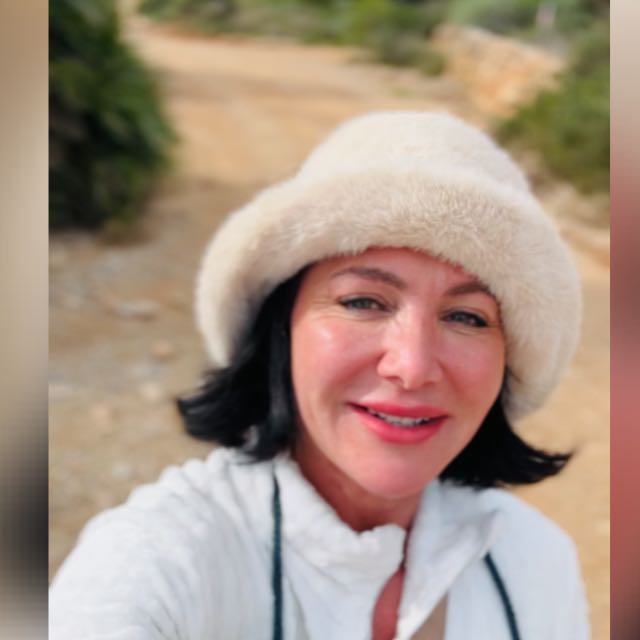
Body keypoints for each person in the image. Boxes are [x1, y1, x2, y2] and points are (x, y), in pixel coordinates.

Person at [50, 111, 589, 639]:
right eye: (363, 302)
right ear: (280, 327)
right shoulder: (158, 562)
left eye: (467, 317)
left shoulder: (534, 560)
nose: (413, 367)